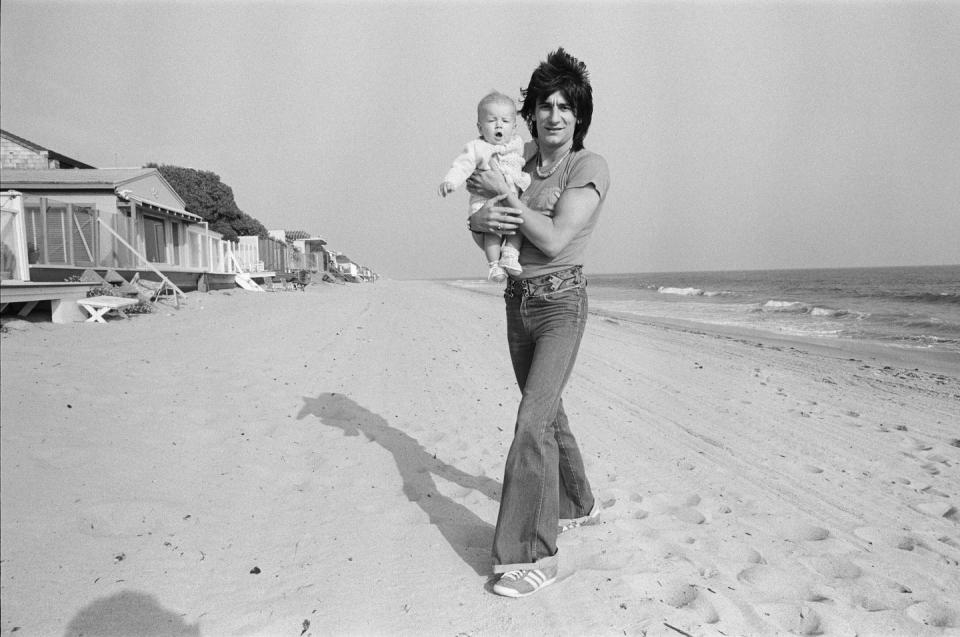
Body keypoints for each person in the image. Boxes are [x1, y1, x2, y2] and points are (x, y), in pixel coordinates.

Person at [466, 48, 610, 598]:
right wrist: (482, 215)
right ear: (530, 112)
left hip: (561, 303)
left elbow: (552, 238)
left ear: (579, 116)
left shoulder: (587, 167)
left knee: (531, 421)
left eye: (565, 106)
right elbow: (481, 217)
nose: (554, 115)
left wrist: (504, 202)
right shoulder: (518, 160)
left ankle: (532, 555)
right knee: (548, 411)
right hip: (517, 300)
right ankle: (578, 502)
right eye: (544, 105)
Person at [439, 91, 531, 282]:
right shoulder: (477, 147)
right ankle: (494, 265)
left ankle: (510, 256)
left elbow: (533, 152)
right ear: (481, 128)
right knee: (493, 232)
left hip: (513, 197)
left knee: (520, 227)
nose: (499, 125)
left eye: (505, 121)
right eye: (492, 121)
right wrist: (451, 181)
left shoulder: (518, 144)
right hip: (487, 201)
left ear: (514, 127)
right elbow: (462, 165)